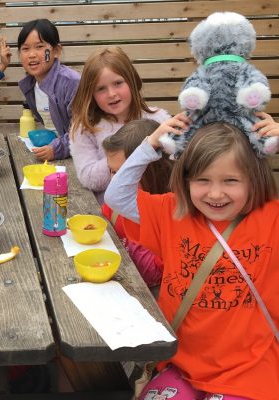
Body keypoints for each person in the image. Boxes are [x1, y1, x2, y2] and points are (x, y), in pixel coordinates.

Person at [104, 117, 279, 399]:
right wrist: (151, 144)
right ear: (185, 180)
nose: (215, 193)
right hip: (181, 364)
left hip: (249, 368)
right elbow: (117, 196)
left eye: (230, 180)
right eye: (202, 180)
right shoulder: (173, 212)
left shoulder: (271, 219)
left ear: (253, 179)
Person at [68, 46, 170, 203]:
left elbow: (178, 166)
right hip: (110, 215)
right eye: (101, 89)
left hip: (156, 210)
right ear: (91, 94)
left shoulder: (158, 119)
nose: (111, 94)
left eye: (117, 83)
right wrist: (125, 155)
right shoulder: (84, 128)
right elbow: (88, 178)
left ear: (131, 81)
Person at [101, 118, 173, 288]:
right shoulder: (115, 207)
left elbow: (152, 272)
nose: (115, 180)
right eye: (112, 171)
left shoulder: (162, 212)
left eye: (123, 174)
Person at [17, 19, 80, 161]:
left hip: (78, 155)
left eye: (39, 47)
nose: (32, 54)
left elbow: (82, 130)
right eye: (25, 49)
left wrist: (56, 149)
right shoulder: (31, 85)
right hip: (60, 151)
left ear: (56, 51)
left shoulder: (71, 83)